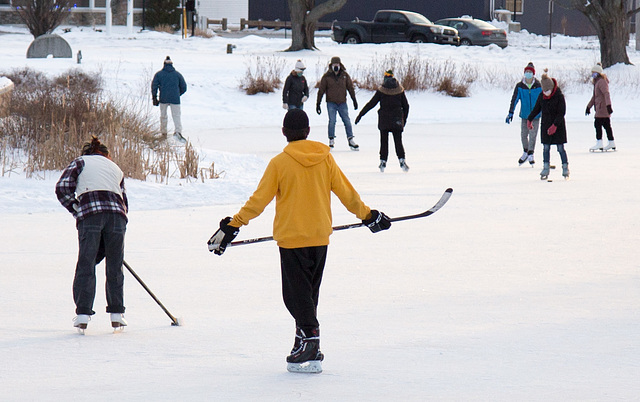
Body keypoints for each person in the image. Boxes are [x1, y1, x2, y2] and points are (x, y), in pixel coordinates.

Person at [207, 109, 391, 373]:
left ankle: (312, 342)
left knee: (294, 297)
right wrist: (368, 215)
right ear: (307, 132)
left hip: (292, 240)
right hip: (319, 237)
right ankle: (302, 342)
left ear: (284, 133)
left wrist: (232, 226)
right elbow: (347, 193)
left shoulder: (279, 163)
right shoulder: (324, 158)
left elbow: (258, 202)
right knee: (308, 296)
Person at [55, 136, 129, 332]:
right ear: (105, 155)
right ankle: (116, 314)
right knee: (115, 265)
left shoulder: (81, 162)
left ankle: (83, 314)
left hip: (91, 217)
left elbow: (62, 188)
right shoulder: (115, 168)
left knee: (86, 263)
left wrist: (77, 209)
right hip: (117, 217)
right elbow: (124, 201)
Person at [355, 70, 410, 172]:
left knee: (384, 141)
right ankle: (402, 160)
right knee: (398, 141)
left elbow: (371, 104)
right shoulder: (400, 90)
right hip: (397, 120)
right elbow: (406, 106)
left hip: (384, 120)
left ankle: (383, 161)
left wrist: (360, 115)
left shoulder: (381, 91)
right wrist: (403, 120)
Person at [527, 69, 569, 180]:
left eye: (547, 90)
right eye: (544, 91)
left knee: (560, 148)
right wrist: (529, 119)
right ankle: (546, 168)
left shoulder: (559, 96)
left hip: (558, 127)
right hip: (546, 126)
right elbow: (536, 109)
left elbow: (561, 113)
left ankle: (565, 168)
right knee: (546, 148)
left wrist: (555, 125)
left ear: (552, 88)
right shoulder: (542, 97)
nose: (546, 93)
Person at [316, 56, 360, 151]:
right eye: (334, 64)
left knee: (347, 121)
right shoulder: (327, 77)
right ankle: (331, 140)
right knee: (332, 121)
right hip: (331, 102)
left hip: (342, 102)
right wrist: (318, 103)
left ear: (340, 65)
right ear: (331, 65)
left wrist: (354, 100)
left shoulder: (344, 75)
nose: (336, 66)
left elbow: (350, 88)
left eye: (338, 64)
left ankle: (350, 139)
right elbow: (321, 90)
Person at [506, 62, 542, 166]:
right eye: (526, 72)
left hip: (535, 115)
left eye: (530, 72)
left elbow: (543, 100)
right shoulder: (520, 86)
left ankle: (531, 153)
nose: (528, 73)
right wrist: (511, 112)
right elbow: (515, 99)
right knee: (523, 135)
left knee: (533, 134)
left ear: (533, 73)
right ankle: (525, 151)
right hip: (525, 115)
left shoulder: (538, 85)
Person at [152, 56, 188, 143]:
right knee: (176, 116)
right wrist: (177, 94)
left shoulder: (159, 74)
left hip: (163, 98)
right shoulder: (177, 74)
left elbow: (154, 86)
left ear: (164, 64)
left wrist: (154, 97)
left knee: (163, 116)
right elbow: (184, 87)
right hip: (175, 99)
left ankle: (163, 133)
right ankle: (178, 132)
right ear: (172, 64)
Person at [586, 63, 615, 152]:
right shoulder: (597, 82)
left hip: (602, 107)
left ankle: (599, 142)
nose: (593, 75)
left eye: (594, 73)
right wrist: (588, 106)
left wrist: (608, 105)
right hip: (600, 107)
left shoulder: (601, 82)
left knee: (598, 124)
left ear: (598, 73)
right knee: (606, 125)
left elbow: (606, 93)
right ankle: (611, 142)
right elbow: (595, 97)